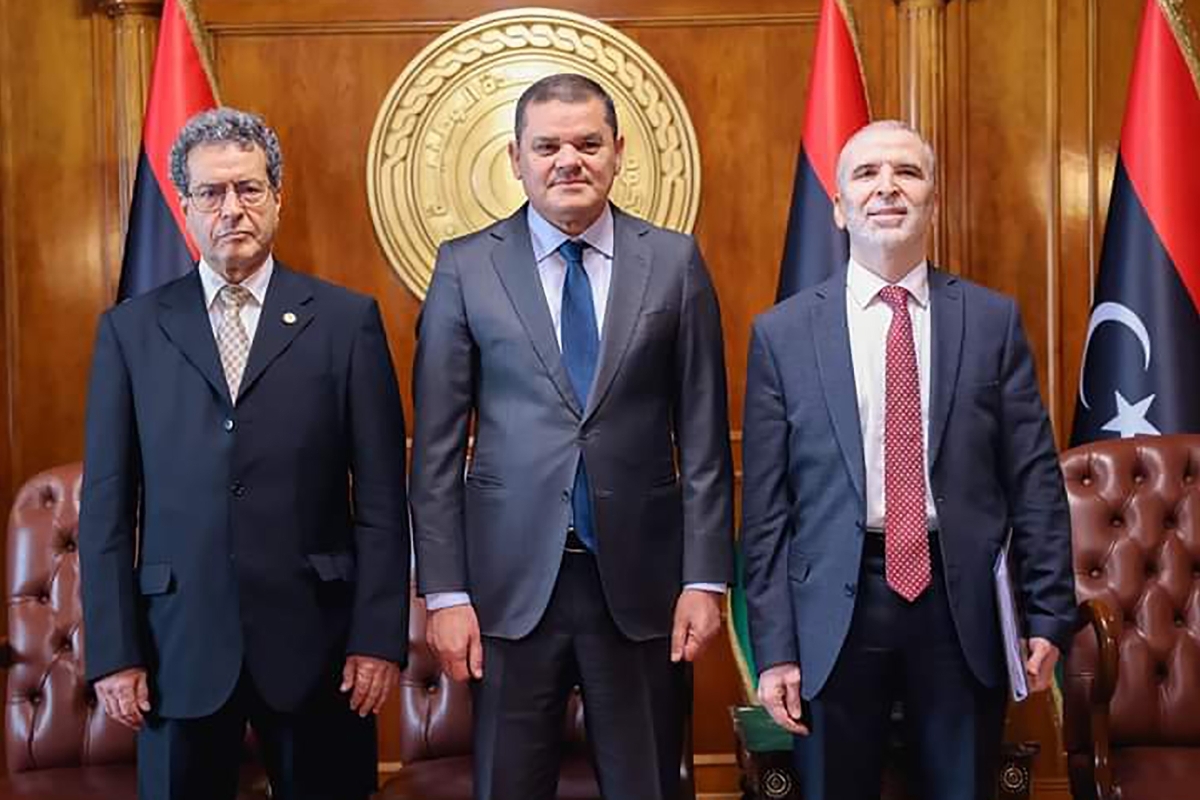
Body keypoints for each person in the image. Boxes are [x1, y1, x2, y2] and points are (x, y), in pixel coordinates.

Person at [410, 73, 734, 800]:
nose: (569, 160)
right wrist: (446, 592)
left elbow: (706, 438)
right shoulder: (465, 267)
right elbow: (433, 451)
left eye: (588, 143)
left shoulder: (676, 263)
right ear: (515, 159)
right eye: (547, 145)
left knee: (647, 784)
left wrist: (704, 578)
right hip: (507, 590)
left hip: (644, 587)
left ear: (618, 152)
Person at [78, 107, 410, 800]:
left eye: (250, 189)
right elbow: (108, 507)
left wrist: (378, 637)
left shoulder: (347, 322)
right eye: (212, 193)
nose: (233, 208)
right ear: (186, 207)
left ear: (277, 197)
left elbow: (381, 500)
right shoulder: (131, 332)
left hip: (321, 651)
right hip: (177, 650)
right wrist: (115, 654)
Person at [741, 120, 1076, 800]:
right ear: (838, 206)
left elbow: (1034, 480)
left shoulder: (991, 320)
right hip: (835, 609)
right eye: (865, 174)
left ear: (932, 199)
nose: (886, 187)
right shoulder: (781, 334)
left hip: (961, 607)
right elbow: (767, 510)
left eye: (907, 173)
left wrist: (1048, 614)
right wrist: (774, 648)